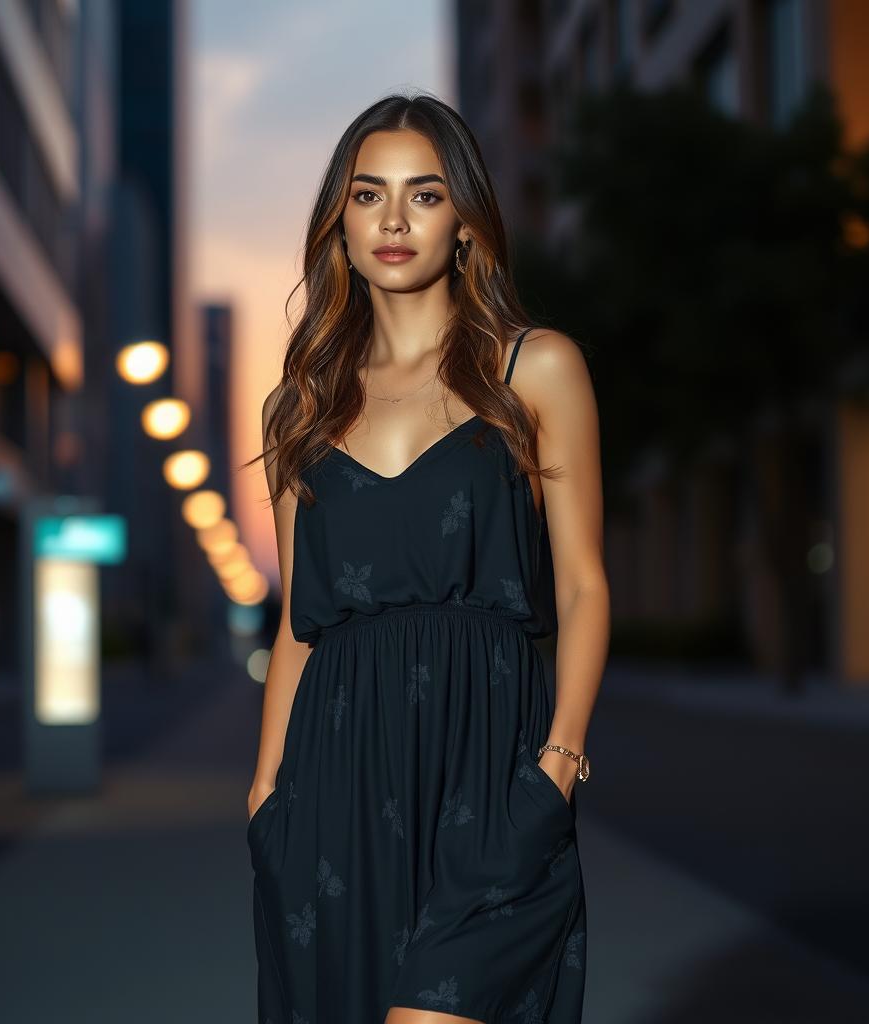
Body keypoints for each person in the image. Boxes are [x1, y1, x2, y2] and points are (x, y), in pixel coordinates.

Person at [242, 92, 609, 1024]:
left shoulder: (536, 369)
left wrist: (557, 765)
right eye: (369, 196)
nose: (395, 220)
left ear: (467, 222)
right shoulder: (299, 406)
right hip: (333, 785)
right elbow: (298, 622)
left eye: (426, 194)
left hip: (492, 769)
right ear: (341, 222)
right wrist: (265, 798)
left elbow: (582, 583)